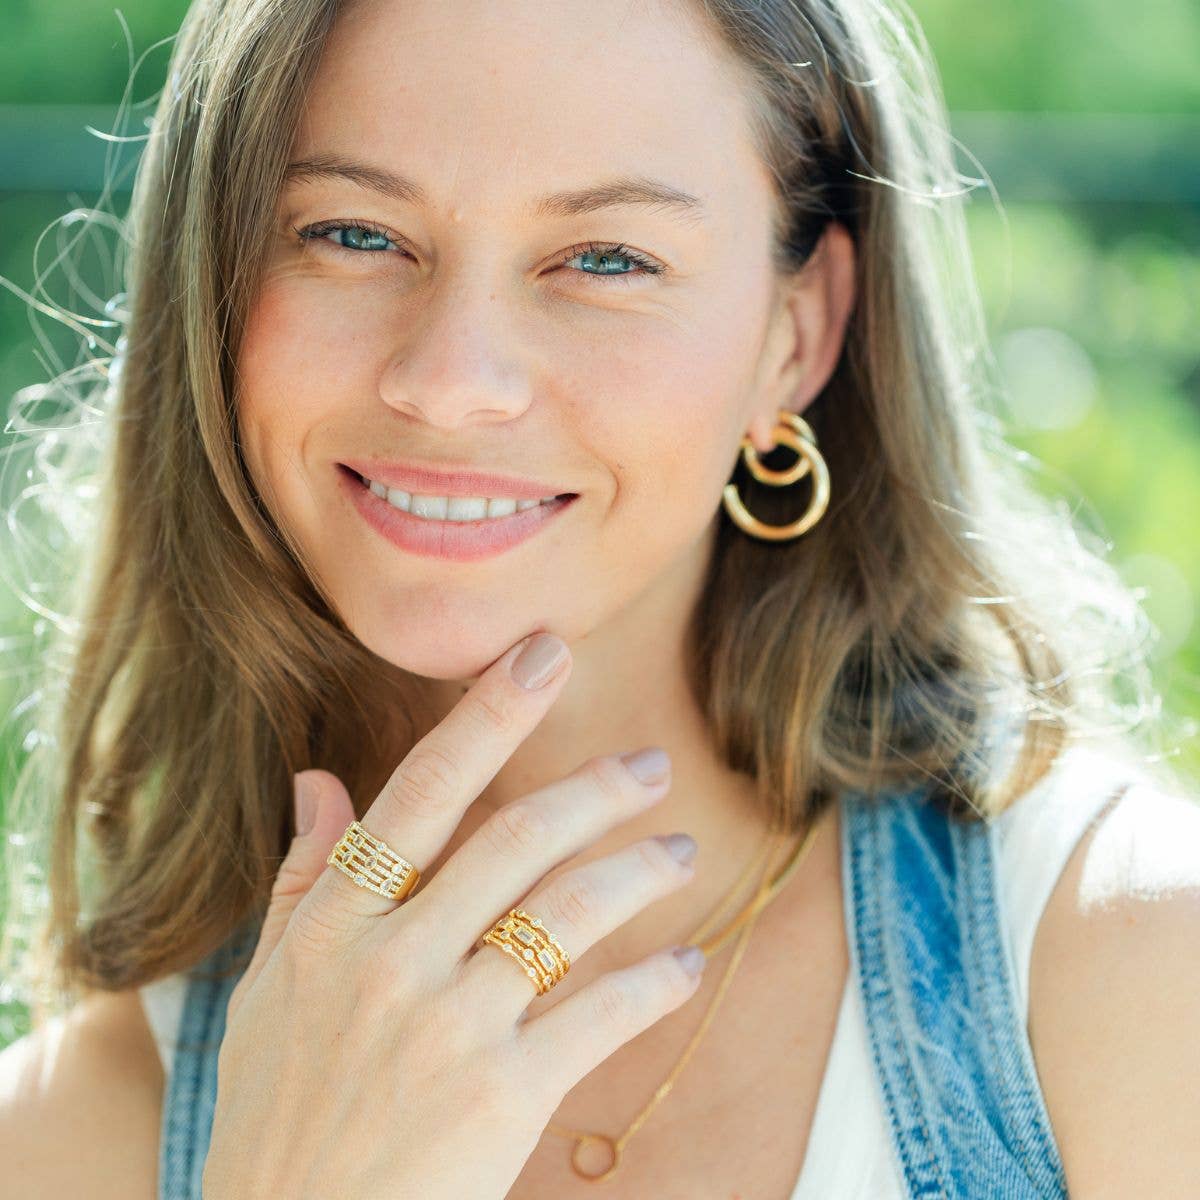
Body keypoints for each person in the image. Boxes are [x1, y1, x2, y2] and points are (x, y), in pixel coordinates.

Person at [0, 0, 1197, 1196]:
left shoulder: (1133, 965)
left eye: (608, 258)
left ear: (795, 334)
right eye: (355, 234)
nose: (452, 381)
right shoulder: (60, 1137)